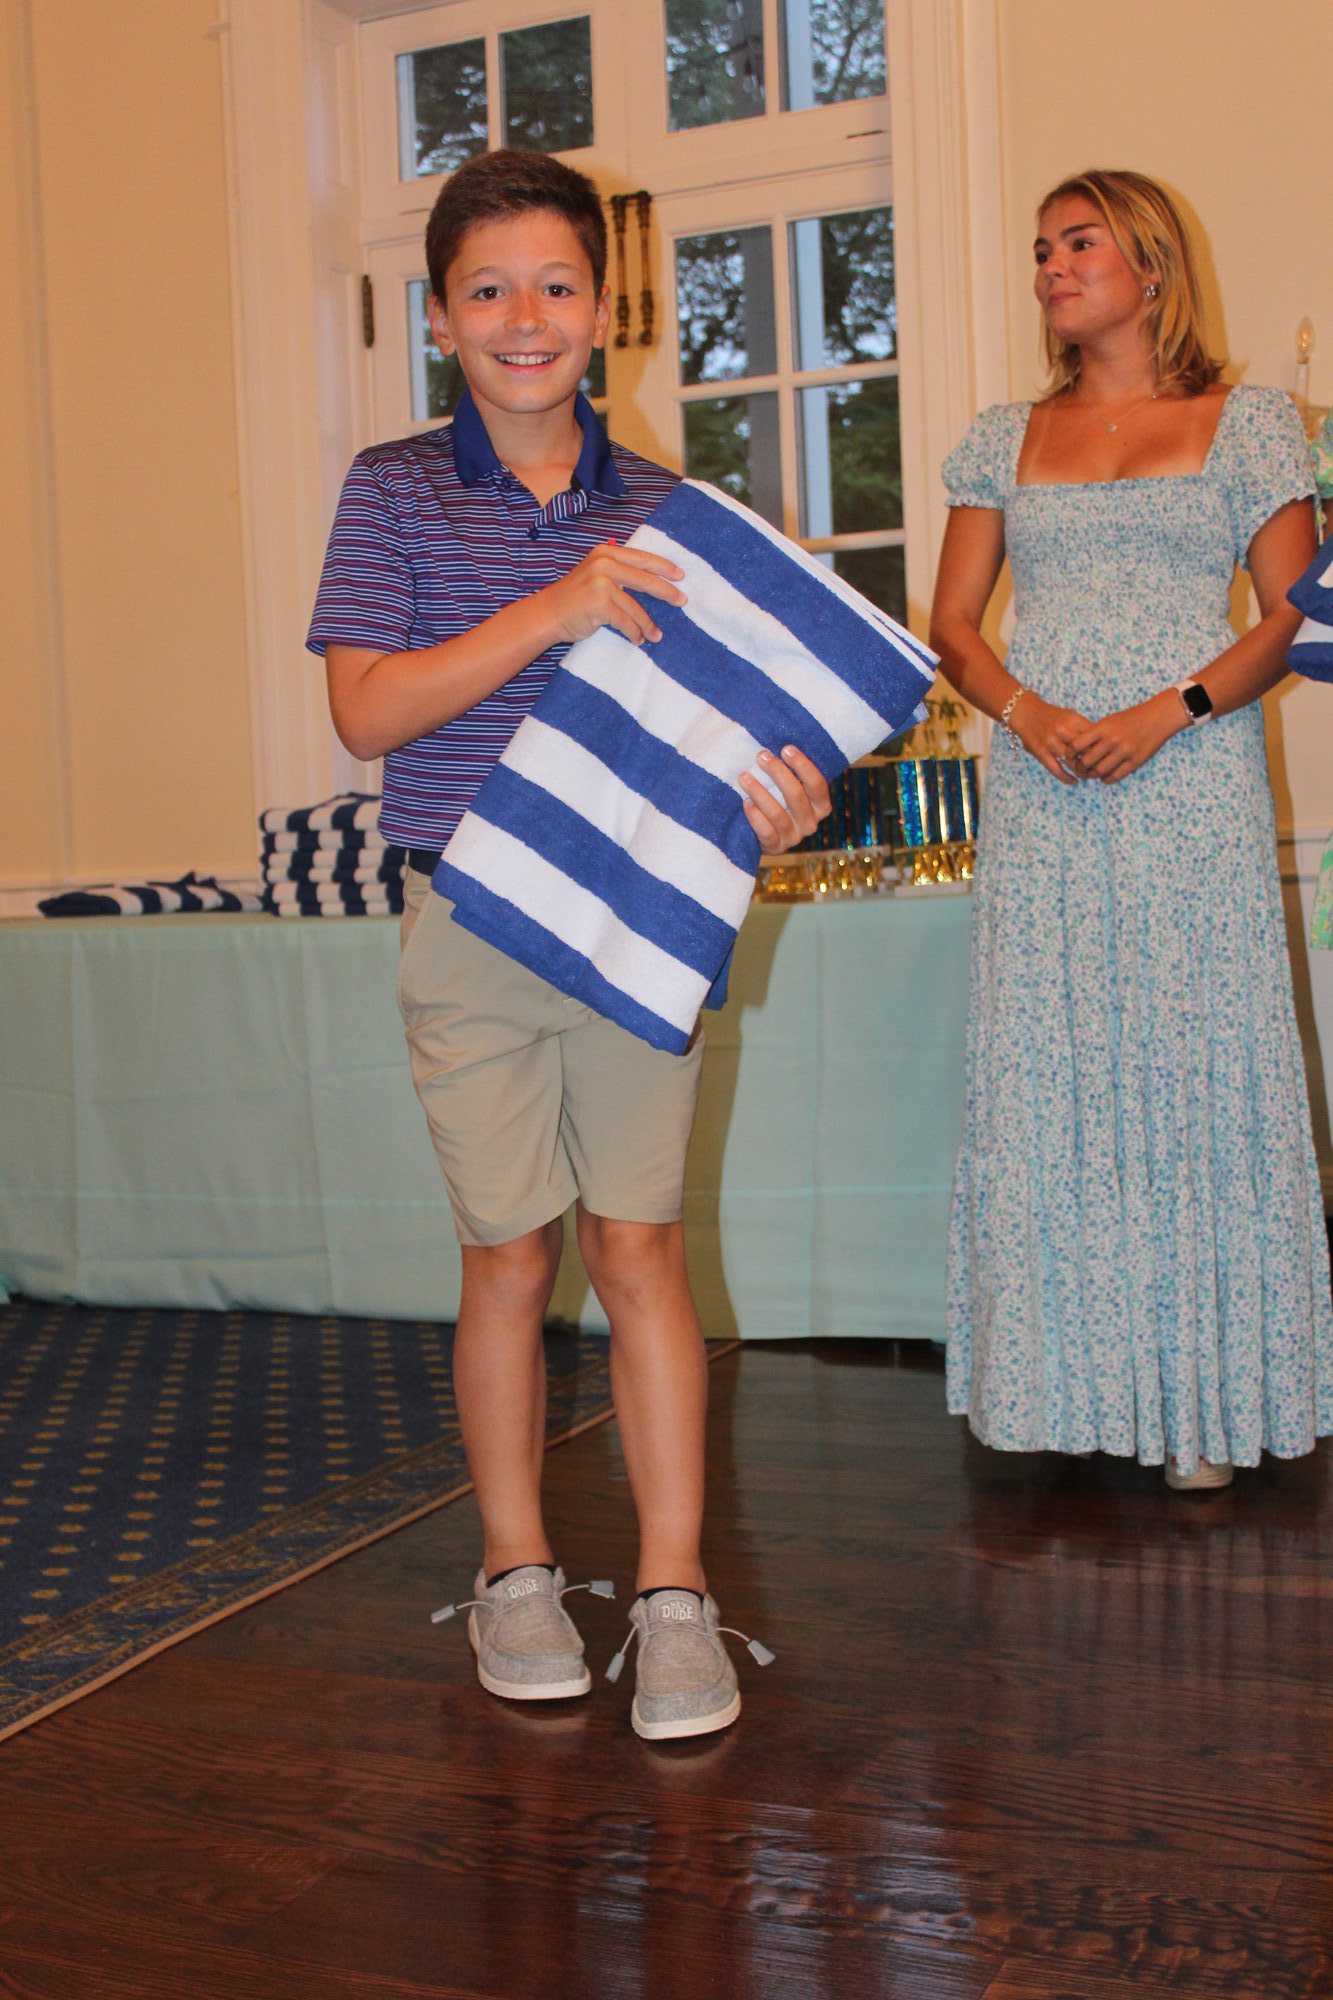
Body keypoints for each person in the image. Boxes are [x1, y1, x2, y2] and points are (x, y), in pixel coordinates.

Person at [307, 150, 829, 1737]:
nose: (522, 317)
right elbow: (364, 714)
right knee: (507, 1257)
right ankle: (516, 1568)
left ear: (606, 311)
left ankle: (673, 1591)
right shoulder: (389, 489)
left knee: (640, 1248)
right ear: (437, 318)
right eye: (486, 290)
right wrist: (553, 608)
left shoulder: (672, 509)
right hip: (465, 916)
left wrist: (783, 799)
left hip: (637, 916)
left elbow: (737, 732)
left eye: (554, 285)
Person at [930, 168, 1332, 1490]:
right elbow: (951, 625)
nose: (1050, 266)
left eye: (1079, 244)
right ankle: (1061, 1387)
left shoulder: (1248, 423)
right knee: (1053, 1063)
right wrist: (1028, 713)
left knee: (1195, 1060)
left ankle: (1200, 1410)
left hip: (1192, 779)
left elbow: (1293, 612)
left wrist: (1172, 709)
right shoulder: (1003, 435)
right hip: (1042, 788)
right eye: (1040, 248)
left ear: (1150, 267)